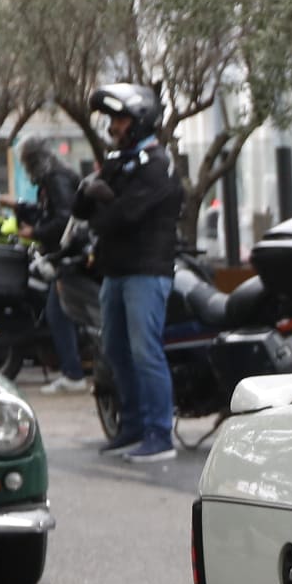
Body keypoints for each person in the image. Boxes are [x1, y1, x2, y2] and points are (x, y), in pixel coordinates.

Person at [78, 84, 180, 461]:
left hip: (146, 271)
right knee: (116, 350)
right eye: (113, 119)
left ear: (139, 121)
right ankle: (133, 425)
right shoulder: (122, 160)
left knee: (145, 351)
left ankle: (159, 434)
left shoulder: (156, 164)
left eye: (120, 119)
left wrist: (103, 195)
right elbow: (86, 208)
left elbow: (122, 216)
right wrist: (92, 191)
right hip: (117, 271)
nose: (114, 126)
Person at [17, 140, 89, 394]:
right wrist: (19, 208)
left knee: (58, 312)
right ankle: (73, 369)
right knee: (62, 311)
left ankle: (73, 373)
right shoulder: (52, 179)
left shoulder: (56, 179)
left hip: (70, 257)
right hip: (66, 256)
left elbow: (63, 220)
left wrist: (34, 232)